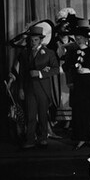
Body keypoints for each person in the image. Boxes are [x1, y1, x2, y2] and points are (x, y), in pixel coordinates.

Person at [9, 21, 60, 149]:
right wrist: (21, 88)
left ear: (40, 40)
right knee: (30, 115)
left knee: (43, 115)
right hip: (29, 89)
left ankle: (43, 138)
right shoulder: (24, 53)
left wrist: (40, 73)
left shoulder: (49, 53)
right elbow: (21, 73)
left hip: (43, 89)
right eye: (31, 40)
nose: (33, 42)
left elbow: (55, 69)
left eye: (36, 40)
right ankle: (30, 139)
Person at [62, 19, 90, 149]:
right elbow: (66, 67)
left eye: (81, 37)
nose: (78, 40)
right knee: (79, 110)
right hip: (78, 82)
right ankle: (81, 137)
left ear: (86, 37)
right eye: (77, 37)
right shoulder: (72, 50)